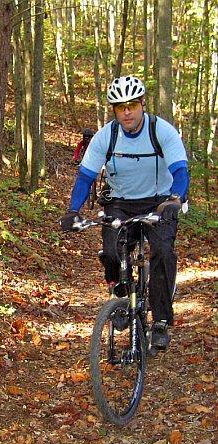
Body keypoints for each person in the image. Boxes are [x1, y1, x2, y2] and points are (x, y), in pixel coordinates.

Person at [60, 76, 189, 350]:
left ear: (142, 104)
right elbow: (85, 177)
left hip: (160, 201)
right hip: (120, 201)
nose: (127, 112)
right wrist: (73, 210)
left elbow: (180, 170)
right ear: (114, 110)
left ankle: (161, 321)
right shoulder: (106, 136)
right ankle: (120, 291)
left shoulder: (162, 131)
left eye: (132, 105)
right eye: (120, 107)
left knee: (163, 253)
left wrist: (175, 199)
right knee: (110, 251)